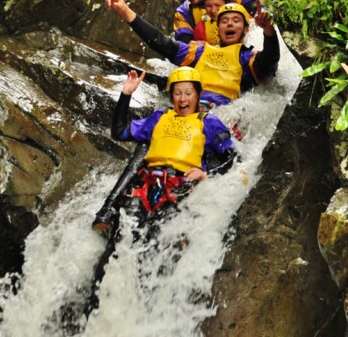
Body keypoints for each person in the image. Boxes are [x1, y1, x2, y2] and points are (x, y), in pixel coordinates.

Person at [86, 66, 237, 314]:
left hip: (179, 189)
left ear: (198, 95)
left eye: (188, 93)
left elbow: (231, 157)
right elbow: (119, 131)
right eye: (177, 93)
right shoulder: (158, 118)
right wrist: (126, 95)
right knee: (117, 244)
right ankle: (92, 310)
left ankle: (140, 314)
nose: (182, 99)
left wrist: (205, 173)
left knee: (155, 248)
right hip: (145, 186)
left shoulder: (208, 122)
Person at [106, 0, 280, 108]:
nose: (229, 24)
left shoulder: (248, 58)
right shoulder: (199, 51)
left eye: (236, 21)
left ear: (246, 28)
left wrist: (269, 32)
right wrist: (125, 11)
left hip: (221, 116)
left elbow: (270, 60)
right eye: (224, 21)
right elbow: (162, 43)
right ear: (217, 28)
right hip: (189, 109)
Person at [196, 0, 263, 45]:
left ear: (227, 2)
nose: (213, 10)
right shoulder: (201, 27)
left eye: (217, 5)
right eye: (208, 6)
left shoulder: (244, 19)